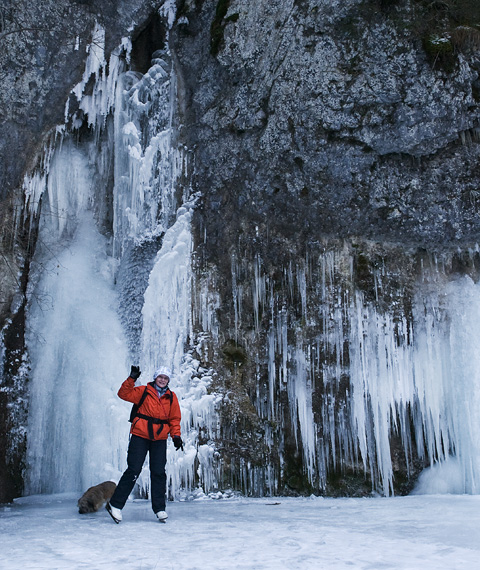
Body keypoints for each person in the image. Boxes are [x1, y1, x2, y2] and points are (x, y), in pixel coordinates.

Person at [106, 365, 183, 523]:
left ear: (168, 381)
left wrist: (176, 436)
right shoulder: (143, 391)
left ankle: (159, 508)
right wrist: (132, 378)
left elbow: (174, 418)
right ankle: (115, 505)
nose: (162, 380)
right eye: (160, 377)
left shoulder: (171, 397)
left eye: (166, 378)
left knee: (158, 472)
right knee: (133, 470)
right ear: (155, 378)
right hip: (140, 435)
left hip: (160, 438)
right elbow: (123, 394)